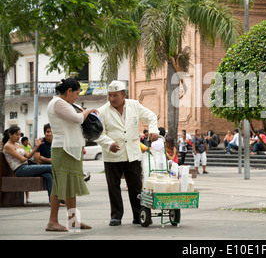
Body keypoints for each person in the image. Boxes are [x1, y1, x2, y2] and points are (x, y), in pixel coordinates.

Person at [96, 80, 159, 227]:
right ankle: (116, 216)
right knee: (113, 187)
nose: (112, 99)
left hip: (133, 154)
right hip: (112, 155)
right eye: (110, 95)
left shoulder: (134, 105)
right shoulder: (102, 111)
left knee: (136, 187)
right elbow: (97, 133)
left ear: (124, 94)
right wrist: (108, 143)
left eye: (115, 95)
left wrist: (154, 130)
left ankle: (138, 215)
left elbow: (151, 117)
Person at [46, 78, 98, 232]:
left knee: (70, 187)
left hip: (70, 149)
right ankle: (52, 221)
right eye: (76, 93)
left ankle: (73, 221)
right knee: (59, 186)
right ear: (69, 91)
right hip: (63, 149)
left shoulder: (65, 104)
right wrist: (87, 111)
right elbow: (76, 119)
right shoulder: (57, 103)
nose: (77, 97)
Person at [2, 126, 48, 205]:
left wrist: (36, 147)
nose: (19, 137)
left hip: (26, 167)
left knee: (48, 174)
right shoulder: (7, 146)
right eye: (17, 134)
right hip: (20, 169)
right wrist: (36, 158)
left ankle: (53, 200)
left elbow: (28, 156)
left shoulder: (18, 144)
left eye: (20, 135)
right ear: (10, 134)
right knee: (50, 167)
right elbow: (22, 159)